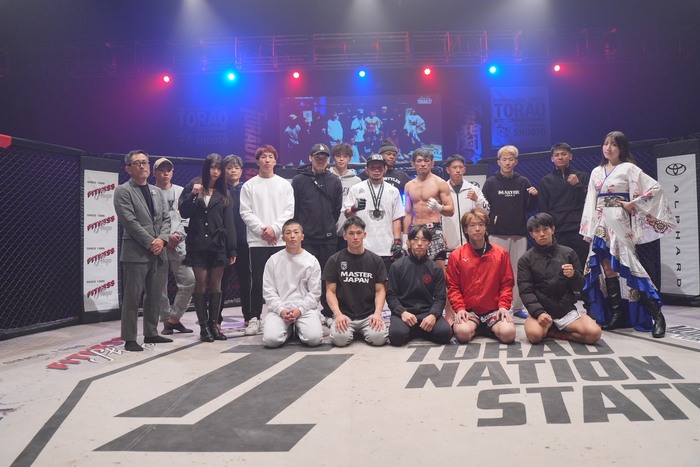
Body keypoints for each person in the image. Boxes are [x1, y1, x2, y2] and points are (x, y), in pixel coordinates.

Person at [580, 131, 675, 338]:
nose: (608, 148)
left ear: (621, 148)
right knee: (607, 267)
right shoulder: (596, 171)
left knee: (631, 266)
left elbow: (654, 188)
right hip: (600, 223)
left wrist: (634, 203)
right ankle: (617, 315)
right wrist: (588, 228)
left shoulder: (629, 168)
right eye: (606, 143)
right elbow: (591, 199)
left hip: (619, 221)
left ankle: (657, 316)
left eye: (613, 144)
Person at [113, 150, 173, 351]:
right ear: (128, 168)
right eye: (137, 163)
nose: (142, 166)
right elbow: (129, 222)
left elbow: (166, 218)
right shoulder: (123, 191)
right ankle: (130, 338)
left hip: (158, 251)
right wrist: (151, 242)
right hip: (136, 252)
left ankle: (151, 333)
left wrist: (162, 240)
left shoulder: (156, 191)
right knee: (133, 297)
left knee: (155, 295)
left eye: (145, 162)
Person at [179, 153, 237, 342]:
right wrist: (193, 195)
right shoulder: (194, 186)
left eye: (219, 168)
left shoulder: (224, 192)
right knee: (201, 284)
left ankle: (214, 325)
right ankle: (203, 327)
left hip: (218, 244)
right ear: (206, 168)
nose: (216, 171)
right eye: (212, 167)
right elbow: (184, 211)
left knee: (216, 286)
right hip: (197, 244)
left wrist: (232, 248)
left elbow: (229, 222)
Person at [518, 213, 601, 344]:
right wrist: (539, 313)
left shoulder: (568, 253)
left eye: (545, 229)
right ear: (531, 234)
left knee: (594, 334)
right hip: (541, 311)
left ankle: (556, 333)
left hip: (566, 311)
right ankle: (547, 328)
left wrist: (573, 276)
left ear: (553, 229)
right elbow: (526, 291)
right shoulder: (526, 259)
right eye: (537, 231)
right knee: (534, 335)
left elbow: (580, 286)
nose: (542, 234)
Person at [240, 145, 295, 336]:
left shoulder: (284, 185)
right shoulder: (249, 185)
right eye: (263, 157)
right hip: (258, 242)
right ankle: (254, 318)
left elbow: (289, 211)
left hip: (280, 241)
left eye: (271, 157)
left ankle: (284, 317)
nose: (267, 160)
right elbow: (245, 212)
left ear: (275, 160)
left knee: (283, 281)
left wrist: (275, 229)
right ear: (257, 161)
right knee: (257, 281)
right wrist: (263, 230)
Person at [481, 145, 538, 319]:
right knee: (495, 271)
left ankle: (517, 307)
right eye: (504, 159)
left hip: (518, 234)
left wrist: (534, 196)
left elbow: (530, 208)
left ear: (516, 162)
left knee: (518, 271)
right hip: (496, 234)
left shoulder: (523, 182)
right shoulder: (491, 183)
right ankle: (495, 305)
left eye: (510, 159)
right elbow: (483, 208)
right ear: (498, 162)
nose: (507, 163)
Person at [446, 208, 516, 344]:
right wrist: (460, 309)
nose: (477, 229)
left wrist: (503, 307)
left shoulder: (501, 254)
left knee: (508, 334)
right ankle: (477, 328)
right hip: (469, 311)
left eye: (481, 224)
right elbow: (453, 286)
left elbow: (507, 284)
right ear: (465, 230)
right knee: (462, 334)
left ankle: (488, 327)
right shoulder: (457, 255)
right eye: (472, 225)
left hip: (493, 311)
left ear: (486, 228)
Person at [292, 143, 343, 327]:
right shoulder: (298, 180)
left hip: (328, 239)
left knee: (328, 279)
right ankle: (306, 313)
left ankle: (328, 313)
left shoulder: (335, 181)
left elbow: (336, 210)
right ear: (310, 158)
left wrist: (327, 225)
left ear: (328, 160)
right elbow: (295, 209)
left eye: (324, 157)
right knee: (305, 279)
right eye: (317, 157)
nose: (321, 160)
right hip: (306, 239)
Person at [538, 142, 590, 311]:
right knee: (558, 268)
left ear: (570, 156)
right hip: (558, 231)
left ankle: (590, 304)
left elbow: (590, 202)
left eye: (563, 154)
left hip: (579, 230)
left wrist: (578, 185)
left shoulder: (581, 177)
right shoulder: (546, 181)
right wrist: (550, 230)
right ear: (552, 158)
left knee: (583, 266)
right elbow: (543, 209)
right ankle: (562, 305)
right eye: (557, 155)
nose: (560, 157)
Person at [323, 217, 389, 347]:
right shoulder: (334, 260)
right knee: (340, 340)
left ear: (365, 235)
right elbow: (330, 292)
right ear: (344, 236)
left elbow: (380, 291)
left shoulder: (376, 260)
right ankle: (334, 322)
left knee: (379, 339)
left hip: (368, 315)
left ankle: (360, 331)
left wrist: (377, 314)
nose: (355, 237)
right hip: (344, 315)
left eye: (359, 233)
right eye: (351, 233)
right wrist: (338, 315)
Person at [261, 219, 324, 348]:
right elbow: (268, 291)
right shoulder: (273, 261)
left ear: (302, 236)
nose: (292, 236)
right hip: (280, 310)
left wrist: (299, 310)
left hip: (305, 310)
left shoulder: (311, 261)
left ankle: (299, 327)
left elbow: (315, 293)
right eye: (288, 233)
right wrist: (281, 310)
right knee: (271, 341)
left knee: (314, 339)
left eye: (296, 232)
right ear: (283, 238)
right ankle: (288, 330)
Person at [387, 225, 452, 346]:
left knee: (445, 333)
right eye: (415, 239)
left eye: (424, 240)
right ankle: (415, 331)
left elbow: (440, 297)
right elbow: (391, 296)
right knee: (397, 336)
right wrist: (402, 312)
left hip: (427, 312)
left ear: (429, 243)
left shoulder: (435, 269)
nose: (419, 243)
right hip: (405, 313)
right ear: (409, 242)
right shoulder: (397, 266)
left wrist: (433, 315)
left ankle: (418, 330)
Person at [152, 157, 194, 335]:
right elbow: (148, 220)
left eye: (168, 170)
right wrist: (164, 238)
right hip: (158, 245)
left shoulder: (180, 191)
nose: (165, 173)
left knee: (190, 281)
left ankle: (174, 318)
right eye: (161, 170)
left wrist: (177, 235)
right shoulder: (150, 192)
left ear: (172, 172)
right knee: (159, 286)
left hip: (178, 244)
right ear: (155, 173)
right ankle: (165, 321)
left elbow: (187, 216)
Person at [345, 154, 404, 273]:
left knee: (385, 281)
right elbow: (347, 215)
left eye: (379, 167)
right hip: (363, 246)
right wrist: (354, 208)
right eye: (373, 167)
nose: (376, 170)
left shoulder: (393, 191)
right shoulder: (356, 189)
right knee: (364, 282)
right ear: (366, 169)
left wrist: (397, 241)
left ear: (385, 169)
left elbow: (396, 218)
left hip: (386, 246)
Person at [403, 148, 454, 265]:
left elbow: (451, 210)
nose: (423, 164)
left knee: (438, 266)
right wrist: (405, 236)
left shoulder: (440, 183)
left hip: (433, 229)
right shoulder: (409, 186)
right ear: (413, 164)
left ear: (432, 163)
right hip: (415, 229)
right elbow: (408, 213)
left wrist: (439, 208)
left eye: (426, 161)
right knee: (415, 267)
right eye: (419, 161)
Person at [221, 154, 251, 330]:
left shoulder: (247, 189)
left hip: (245, 242)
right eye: (229, 167)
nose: (233, 170)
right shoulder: (218, 190)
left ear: (241, 170)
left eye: (236, 167)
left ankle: (249, 317)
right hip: (223, 244)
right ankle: (215, 320)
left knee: (246, 281)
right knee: (220, 283)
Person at [442, 154, 490, 252]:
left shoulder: (473, 189)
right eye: (454, 167)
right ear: (448, 170)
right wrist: (441, 237)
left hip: (472, 242)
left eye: (461, 167)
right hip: (449, 241)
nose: (458, 170)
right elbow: (437, 216)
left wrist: (477, 199)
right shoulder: (442, 190)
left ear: (464, 169)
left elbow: (487, 211)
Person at [330, 143, 362, 251]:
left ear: (350, 158)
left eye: (345, 156)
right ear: (333, 157)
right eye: (338, 156)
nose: (341, 159)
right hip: (329, 229)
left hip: (349, 229)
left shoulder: (356, 181)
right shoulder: (326, 177)